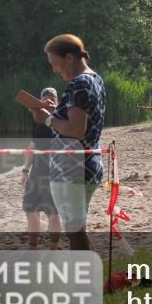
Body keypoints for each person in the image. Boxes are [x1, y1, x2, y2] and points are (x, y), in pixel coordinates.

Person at [31, 34, 105, 251]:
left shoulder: (79, 84)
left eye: (55, 63)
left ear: (70, 58)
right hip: (89, 164)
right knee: (78, 229)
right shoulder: (94, 79)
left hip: (72, 168)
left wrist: (45, 118)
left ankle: (84, 282)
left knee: (75, 233)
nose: (54, 69)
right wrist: (54, 111)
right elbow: (80, 119)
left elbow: (75, 130)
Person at [22, 87, 61, 250]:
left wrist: (54, 112)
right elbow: (34, 144)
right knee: (30, 209)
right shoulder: (37, 119)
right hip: (36, 172)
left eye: (51, 98)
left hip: (54, 172)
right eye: (44, 98)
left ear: (56, 101)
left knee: (53, 213)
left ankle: (53, 247)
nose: (47, 100)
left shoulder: (60, 118)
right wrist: (25, 170)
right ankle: (33, 247)